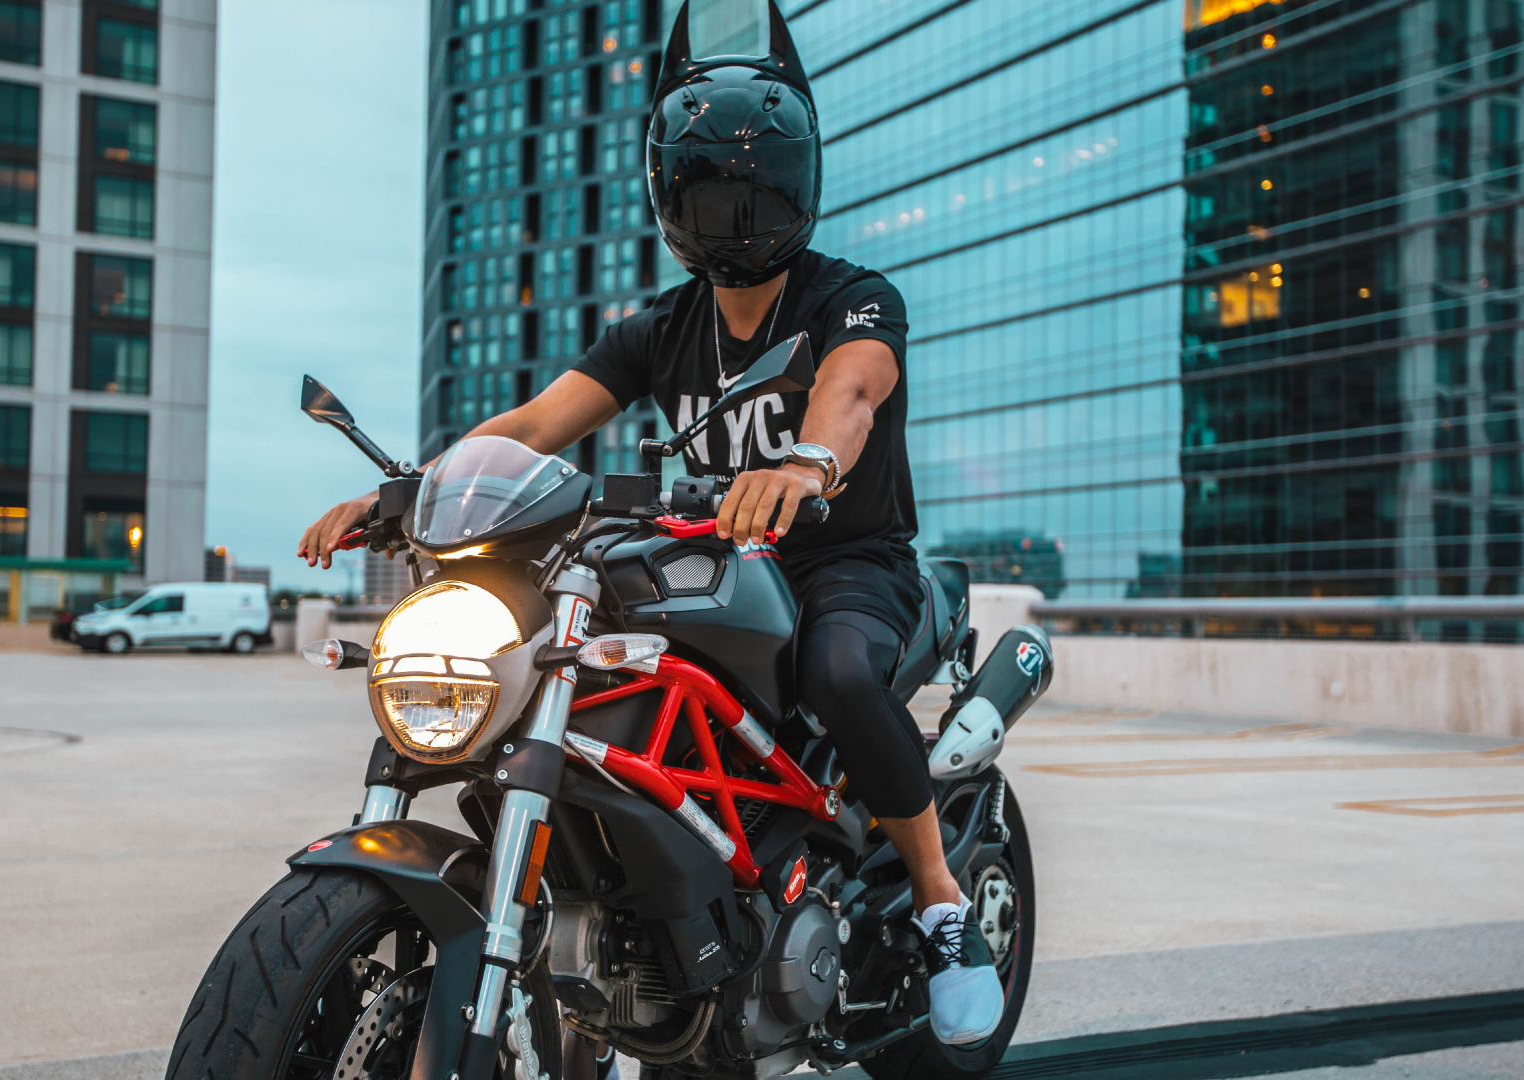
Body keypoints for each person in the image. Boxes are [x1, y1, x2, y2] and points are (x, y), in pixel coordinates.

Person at [298, 0, 1001, 1046]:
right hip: (718, 567)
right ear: (674, 193)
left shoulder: (851, 299)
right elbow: (537, 424)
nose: (733, 200)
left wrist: (806, 465)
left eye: (752, 181)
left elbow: (850, 394)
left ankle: (942, 906)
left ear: (795, 186)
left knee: (842, 674)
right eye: (711, 181)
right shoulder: (658, 330)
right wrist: (411, 495)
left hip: (845, 562)